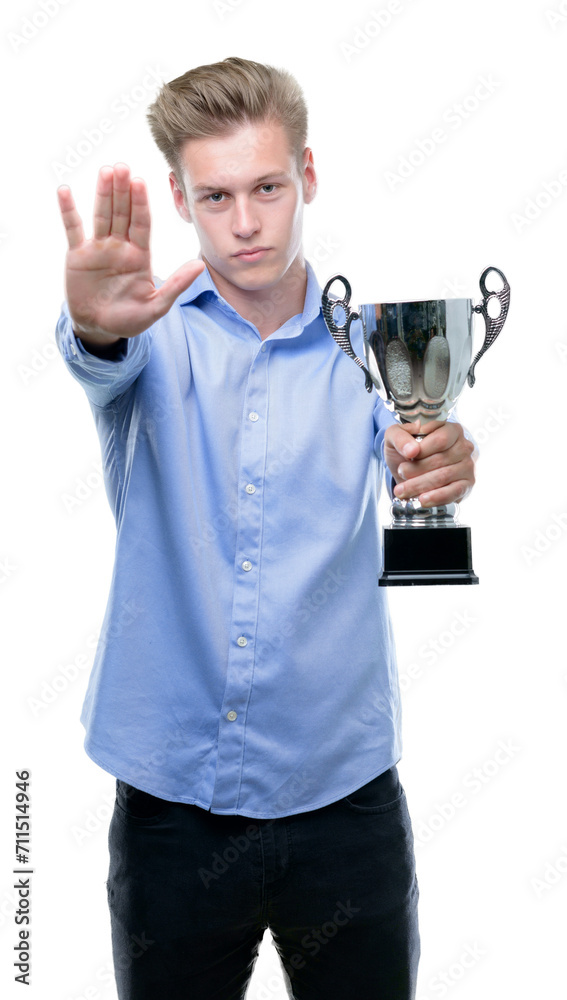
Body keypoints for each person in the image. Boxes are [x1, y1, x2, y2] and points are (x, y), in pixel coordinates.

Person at [55, 56, 475, 1000]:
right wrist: (95, 327)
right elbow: (97, 356)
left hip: (344, 798)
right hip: (170, 806)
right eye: (215, 196)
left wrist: (441, 460)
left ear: (307, 177)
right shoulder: (144, 332)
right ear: (179, 198)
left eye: (267, 188)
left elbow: (417, 456)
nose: (244, 223)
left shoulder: (373, 347)